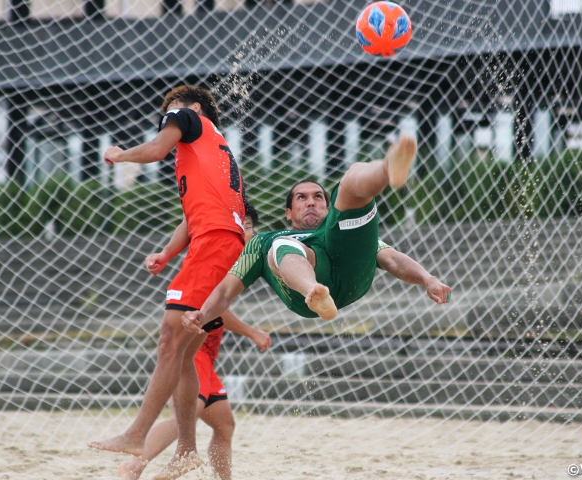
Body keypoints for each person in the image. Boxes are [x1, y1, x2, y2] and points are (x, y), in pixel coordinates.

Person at [89, 85, 247, 479]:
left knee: (169, 340)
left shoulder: (188, 119)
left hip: (213, 244)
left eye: (171, 112)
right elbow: (194, 216)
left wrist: (121, 154)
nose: (167, 119)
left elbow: (157, 148)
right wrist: (168, 252)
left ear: (193, 109)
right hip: (217, 242)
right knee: (185, 352)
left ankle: (137, 434)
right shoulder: (212, 149)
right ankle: (187, 450)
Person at [183, 132, 452, 338]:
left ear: (326, 206)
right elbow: (225, 291)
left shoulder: (333, 224)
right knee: (280, 244)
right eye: (302, 198)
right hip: (307, 293)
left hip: (349, 270)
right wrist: (202, 315)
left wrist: (428, 279)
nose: (311, 202)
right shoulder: (263, 242)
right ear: (289, 212)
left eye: (318, 197)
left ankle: (387, 169)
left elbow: (392, 259)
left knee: (348, 182)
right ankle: (314, 291)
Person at [119, 206, 268, 480]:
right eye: (240, 225)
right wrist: (252, 333)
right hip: (193, 354)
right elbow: (217, 308)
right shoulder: (218, 254)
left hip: (206, 360)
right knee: (182, 421)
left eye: (247, 226)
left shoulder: (240, 258)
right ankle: (134, 466)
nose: (244, 230)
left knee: (225, 425)